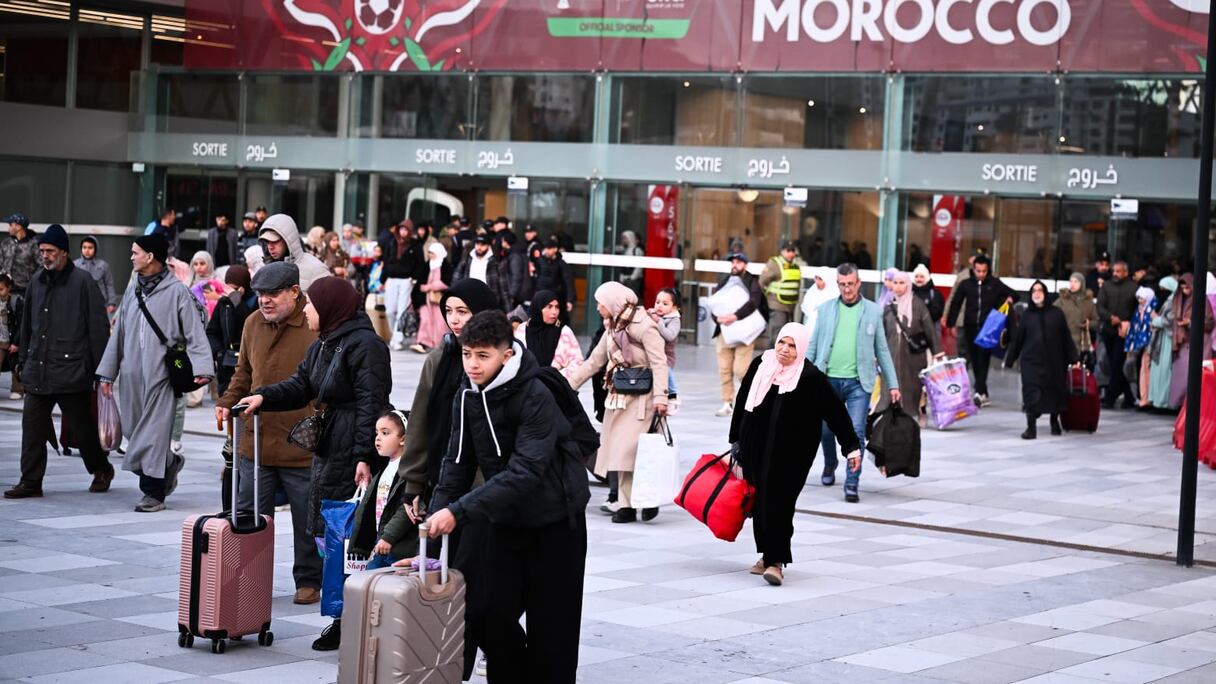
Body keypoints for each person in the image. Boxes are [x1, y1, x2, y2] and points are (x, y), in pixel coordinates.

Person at [425, 310, 590, 683]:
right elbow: (455, 468)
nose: (472, 364)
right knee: (484, 611)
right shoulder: (467, 396)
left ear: (507, 354)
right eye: (467, 354)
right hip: (506, 518)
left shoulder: (536, 394)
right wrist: (431, 541)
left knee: (554, 634)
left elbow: (525, 472)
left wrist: (458, 512)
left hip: (557, 523)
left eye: (483, 355)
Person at [235, 276, 391, 651]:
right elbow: (300, 385)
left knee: (349, 535)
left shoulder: (365, 346)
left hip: (351, 449)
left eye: (312, 305)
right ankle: (341, 615)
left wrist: (364, 457)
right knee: (330, 531)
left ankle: (351, 619)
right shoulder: (323, 343)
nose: (306, 310)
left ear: (331, 308)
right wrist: (262, 397)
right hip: (329, 446)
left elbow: (372, 404)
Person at [395, 278, 500, 679]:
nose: (455, 320)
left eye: (464, 312)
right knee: (448, 570)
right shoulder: (439, 359)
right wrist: (414, 483)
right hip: (446, 482)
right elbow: (420, 424)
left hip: (488, 488)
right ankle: (451, 653)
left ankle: (482, 647)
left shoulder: (499, 361)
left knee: (481, 573)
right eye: (450, 311)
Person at [214, 261, 323, 605]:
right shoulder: (252, 323)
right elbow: (243, 374)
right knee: (249, 518)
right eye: (261, 294)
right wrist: (227, 401)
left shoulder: (313, 324)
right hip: (256, 441)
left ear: (295, 292)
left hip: (301, 442)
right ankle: (249, 580)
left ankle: (309, 579)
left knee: (307, 520)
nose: (265, 300)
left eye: (273, 293)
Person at [729, 323, 861, 586]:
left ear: (801, 348)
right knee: (760, 502)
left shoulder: (810, 377)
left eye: (792, 345)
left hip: (791, 455)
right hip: (755, 448)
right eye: (782, 342)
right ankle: (766, 555)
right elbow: (742, 401)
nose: (785, 350)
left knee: (780, 503)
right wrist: (735, 439)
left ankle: (776, 562)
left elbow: (835, 412)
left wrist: (850, 447)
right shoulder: (761, 365)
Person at [96, 233, 213, 512]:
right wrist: (107, 373)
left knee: (153, 435)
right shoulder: (133, 290)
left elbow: (194, 332)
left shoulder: (177, 292)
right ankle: (169, 463)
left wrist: (203, 368)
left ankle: (153, 494)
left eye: (135, 252)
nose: (131, 257)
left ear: (150, 257)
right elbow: (119, 333)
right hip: (131, 376)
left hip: (162, 375)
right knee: (133, 431)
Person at [4, 225, 114, 499]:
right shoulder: (36, 281)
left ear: (64, 252)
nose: (45, 255)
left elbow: (98, 329)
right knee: (32, 429)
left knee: (82, 429)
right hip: (38, 370)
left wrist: (101, 371)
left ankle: (101, 469)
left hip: (71, 371)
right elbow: (27, 326)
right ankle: (30, 481)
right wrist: (22, 361)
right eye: (42, 250)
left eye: (50, 251)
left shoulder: (83, 283)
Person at [568, 282, 668, 523]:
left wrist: (661, 397)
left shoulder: (645, 325)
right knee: (620, 454)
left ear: (613, 302)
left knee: (636, 453)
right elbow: (594, 362)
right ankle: (626, 505)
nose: (598, 307)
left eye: (600, 303)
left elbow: (659, 362)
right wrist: (567, 386)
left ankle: (648, 499)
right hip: (619, 397)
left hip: (643, 399)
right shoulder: (612, 328)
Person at [807, 263, 900, 501]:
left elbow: (882, 350)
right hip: (827, 381)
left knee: (856, 432)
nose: (847, 289)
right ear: (837, 284)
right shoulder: (825, 309)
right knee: (825, 430)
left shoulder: (873, 311)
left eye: (850, 284)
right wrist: (800, 376)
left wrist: (893, 384)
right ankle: (830, 463)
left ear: (859, 283)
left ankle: (851, 482)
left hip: (859, 383)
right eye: (842, 284)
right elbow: (813, 345)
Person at [1004, 280, 1077, 439]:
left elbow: (1065, 337)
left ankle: (1054, 421)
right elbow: (1018, 339)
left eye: (1040, 290)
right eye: (1034, 291)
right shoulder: (1027, 315)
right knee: (1030, 392)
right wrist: (1010, 359)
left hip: (1054, 361)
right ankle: (1031, 428)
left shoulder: (1056, 314)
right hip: (1031, 361)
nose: (1036, 294)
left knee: (1055, 392)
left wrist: (1074, 357)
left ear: (1045, 293)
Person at [347, 410, 416, 570]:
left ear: (403, 439)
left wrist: (388, 537)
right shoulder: (385, 468)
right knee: (368, 581)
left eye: (385, 433)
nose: (378, 438)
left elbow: (406, 510)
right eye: (377, 432)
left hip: (399, 549)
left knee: (373, 581)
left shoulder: (408, 470)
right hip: (382, 544)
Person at [944, 255, 1015, 406]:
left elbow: (1013, 294)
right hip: (970, 326)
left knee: (984, 358)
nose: (981, 274)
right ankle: (982, 391)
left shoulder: (995, 284)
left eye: (984, 271)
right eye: (978, 271)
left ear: (988, 270)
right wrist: (951, 323)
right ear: (973, 269)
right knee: (975, 359)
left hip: (988, 328)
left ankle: (979, 391)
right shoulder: (966, 284)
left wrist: (1010, 299)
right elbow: (956, 303)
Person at [876, 271, 941, 421]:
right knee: (889, 386)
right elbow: (881, 332)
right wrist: (876, 354)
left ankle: (911, 415)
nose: (898, 286)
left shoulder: (917, 304)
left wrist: (937, 352)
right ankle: (888, 417)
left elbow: (929, 328)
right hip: (891, 354)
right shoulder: (889, 306)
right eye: (895, 283)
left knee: (911, 387)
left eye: (901, 283)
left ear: (908, 285)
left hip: (913, 357)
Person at [711, 252, 764, 418]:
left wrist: (735, 316)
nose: (735, 265)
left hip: (744, 333)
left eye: (738, 262)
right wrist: (717, 318)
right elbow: (714, 302)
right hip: (724, 331)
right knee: (724, 369)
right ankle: (727, 402)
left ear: (745, 265)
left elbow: (754, 303)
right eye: (733, 262)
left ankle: (751, 399)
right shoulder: (724, 280)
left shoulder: (752, 282)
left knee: (742, 371)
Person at [205, 265, 256, 397]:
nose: (230, 292)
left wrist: (237, 302)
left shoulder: (255, 301)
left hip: (250, 362)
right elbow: (212, 331)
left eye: (234, 289)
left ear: (243, 287)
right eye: (228, 287)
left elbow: (250, 324)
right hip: (227, 363)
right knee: (226, 401)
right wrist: (219, 353)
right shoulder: (224, 303)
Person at [1096, 260, 1139, 408]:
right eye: (1114, 271)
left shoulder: (1133, 288)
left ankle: (1110, 397)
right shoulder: (1106, 286)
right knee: (1115, 365)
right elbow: (1100, 307)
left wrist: (1127, 322)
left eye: (1118, 271)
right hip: (1109, 331)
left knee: (1117, 364)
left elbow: (1137, 310)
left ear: (1125, 273)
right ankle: (1128, 396)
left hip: (1124, 333)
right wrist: (1110, 317)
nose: (1115, 273)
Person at [1169, 274, 1215, 409]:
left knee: (1193, 376)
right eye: (1182, 288)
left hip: (1199, 343)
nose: (1185, 291)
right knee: (1180, 377)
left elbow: (1209, 322)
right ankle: (1181, 406)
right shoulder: (1179, 300)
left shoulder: (1202, 301)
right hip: (1182, 342)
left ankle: (1192, 406)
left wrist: (1190, 322)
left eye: (1187, 287)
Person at [515, 290, 584, 378]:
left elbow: (578, 363)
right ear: (538, 308)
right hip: (527, 383)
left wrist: (556, 377)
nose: (554, 312)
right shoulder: (522, 330)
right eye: (549, 307)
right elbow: (514, 361)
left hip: (554, 384)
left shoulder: (564, 332)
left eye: (557, 307)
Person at [258, 214, 332, 292]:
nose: (270, 247)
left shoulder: (316, 268)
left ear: (287, 240)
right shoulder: (265, 268)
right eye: (267, 242)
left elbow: (328, 298)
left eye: (274, 241)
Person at [382, 222, 425, 351]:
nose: (403, 232)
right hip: (391, 279)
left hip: (406, 279)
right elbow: (385, 260)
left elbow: (420, 263)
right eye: (401, 229)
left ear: (410, 231)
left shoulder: (415, 244)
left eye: (406, 230)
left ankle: (397, 339)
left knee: (402, 310)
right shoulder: (391, 242)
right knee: (389, 310)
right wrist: (383, 278)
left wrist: (414, 278)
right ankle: (394, 336)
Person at [759, 241, 806, 345]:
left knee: (787, 336)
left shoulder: (795, 266)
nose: (791, 253)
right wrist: (764, 301)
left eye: (793, 250)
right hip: (777, 305)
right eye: (788, 251)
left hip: (791, 307)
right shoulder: (774, 264)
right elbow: (761, 282)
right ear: (782, 252)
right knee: (777, 336)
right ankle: (772, 354)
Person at [454, 234, 509, 311]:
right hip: (468, 299)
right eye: (477, 244)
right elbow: (456, 278)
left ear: (489, 246)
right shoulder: (467, 259)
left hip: (488, 302)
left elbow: (503, 288)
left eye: (483, 244)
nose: (479, 247)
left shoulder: (496, 262)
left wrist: (508, 310)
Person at [413, 242, 451, 353]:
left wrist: (430, 287)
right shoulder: (427, 265)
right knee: (425, 320)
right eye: (429, 253)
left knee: (440, 322)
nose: (430, 255)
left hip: (440, 299)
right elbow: (420, 281)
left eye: (432, 253)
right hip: (425, 299)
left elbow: (447, 281)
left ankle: (441, 345)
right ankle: (422, 343)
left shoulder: (445, 266)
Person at [1148, 276, 1178, 410]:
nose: (1161, 291)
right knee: (1158, 371)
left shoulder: (1174, 302)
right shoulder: (1168, 300)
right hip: (1161, 339)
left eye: (1163, 288)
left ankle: (1164, 402)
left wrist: (1155, 320)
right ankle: (1158, 401)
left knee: (1165, 372)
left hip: (1168, 340)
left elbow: (1170, 321)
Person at [1055, 272, 1098, 365]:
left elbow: (1096, 320)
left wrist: (1088, 324)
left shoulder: (1088, 302)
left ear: (1082, 283)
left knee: (1079, 370)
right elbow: (1052, 315)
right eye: (1071, 281)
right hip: (1063, 340)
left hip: (1081, 344)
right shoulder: (1062, 300)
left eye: (1076, 282)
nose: (1072, 284)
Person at [649, 288, 681, 407]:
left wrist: (658, 322)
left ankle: (673, 393)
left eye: (665, 304)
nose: (659, 306)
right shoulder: (653, 315)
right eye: (657, 302)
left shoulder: (674, 320)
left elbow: (670, 336)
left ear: (674, 307)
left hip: (666, 355)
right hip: (652, 353)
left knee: (665, 368)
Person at [1126, 286, 1157, 407]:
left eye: (1142, 298)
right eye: (1139, 298)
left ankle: (1146, 398)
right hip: (1139, 344)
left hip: (1148, 344)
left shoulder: (1151, 310)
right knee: (1141, 369)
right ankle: (1143, 397)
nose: (1140, 301)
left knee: (1145, 369)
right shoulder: (1139, 310)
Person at [534, 238, 575, 321]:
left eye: (549, 248)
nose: (546, 251)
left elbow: (568, 282)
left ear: (555, 249)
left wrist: (569, 300)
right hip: (540, 296)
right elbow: (535, 279)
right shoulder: (539, 261)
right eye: (546, 248)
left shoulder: (561, 264)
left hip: (555, 297)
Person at [75, 236, 117, 316]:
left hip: (99, 304)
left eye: (90, 248)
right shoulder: (75, 265)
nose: (87, 250)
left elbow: (109, 284)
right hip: (80, 304)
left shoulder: (103, 265)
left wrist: (111, 303)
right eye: (84, 247)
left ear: (95, 249)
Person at [1, 212, 39, 294]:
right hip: (6, 290)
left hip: (25, 289)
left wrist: (34, 282)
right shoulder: (6, 243)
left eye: (11, 225)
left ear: (18, 227)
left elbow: (41, 266)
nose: (9, 228)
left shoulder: (33, 245)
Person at [800, 266, 840, 340]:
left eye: (820, 279)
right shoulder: (812, 291)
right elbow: (806, 312)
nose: (817, 282)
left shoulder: (835, 294)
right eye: (816, 278)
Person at [0, 274, 23, 399]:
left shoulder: (15, 302)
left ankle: (18, 389)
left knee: (15, 364)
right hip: (1, 339)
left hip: (12, 338)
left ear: (9, 288)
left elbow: (22, 323)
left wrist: (16, 342)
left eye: (1, 289)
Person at [618, 229, 644, 295]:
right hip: (624, 279)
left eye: (625, 238)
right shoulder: (625, 250)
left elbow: (639, 266)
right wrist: (622, 277)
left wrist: (632, 277)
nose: (623, 240)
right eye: (623, 238)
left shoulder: (637, 250)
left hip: (633, 280)